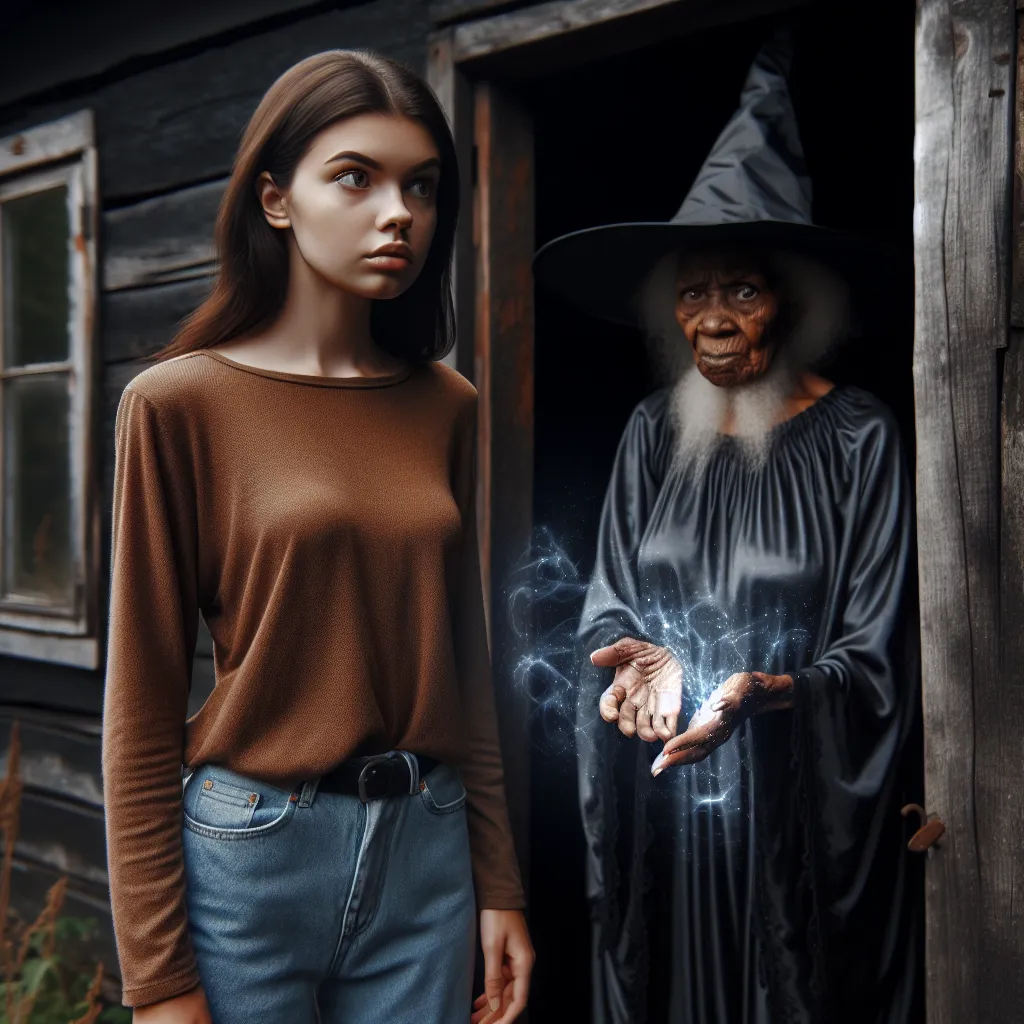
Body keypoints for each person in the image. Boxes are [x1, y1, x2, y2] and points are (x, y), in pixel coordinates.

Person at [103, 50, 533, 1024]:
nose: (399, 214)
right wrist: (160, 980)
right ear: (275, 200)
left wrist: (498, 883)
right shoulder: (176, 405)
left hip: (426, 854)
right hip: (254, 856)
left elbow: (468, 663)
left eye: (421, 185)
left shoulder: (445, 405)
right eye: (356, 176)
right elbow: (139, 710)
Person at [533, 33, 920, 1024]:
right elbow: (605, 605)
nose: (710, 318)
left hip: (791, 832)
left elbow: (879, 661)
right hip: (665, 815)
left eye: (740, 289)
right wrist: (626, 659)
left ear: (796, 298)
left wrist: (762, 694)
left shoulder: (857, 438)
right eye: (693, 290)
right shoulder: (649, 433)